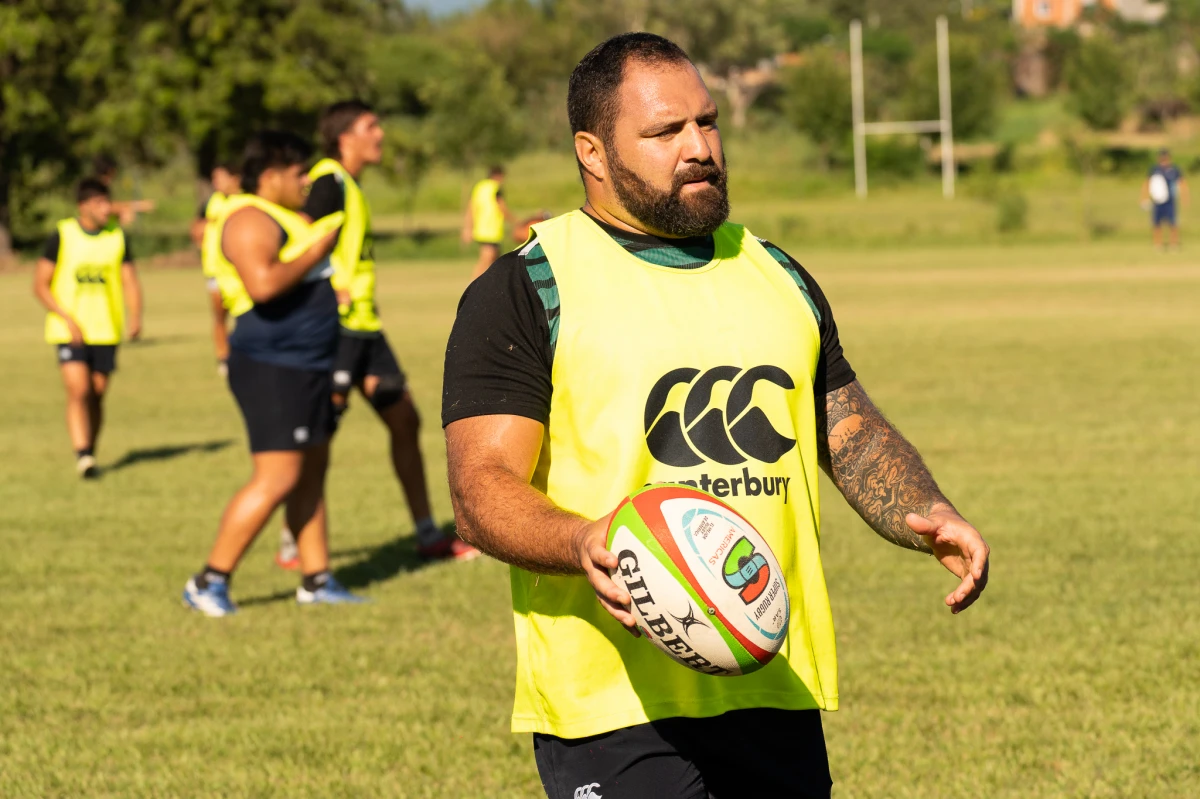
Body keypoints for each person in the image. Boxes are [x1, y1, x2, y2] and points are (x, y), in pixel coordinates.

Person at [442, 33, 991, 798]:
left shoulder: (775, 271)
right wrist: (582, 540)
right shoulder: (530, 285)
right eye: (666, 132)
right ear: (592, 152)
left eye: (707, 123)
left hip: (770, 676)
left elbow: (846, 427)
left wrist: (925, 510)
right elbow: (479, 489)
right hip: (613, 705)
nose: (699, 147)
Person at [182, 131, 363, 617]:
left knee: (311, 471)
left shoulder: (281, 216)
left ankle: (316, 579)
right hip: (273, 366)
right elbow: (262, 285)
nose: (306, 181)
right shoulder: (246, 219)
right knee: (278, 476)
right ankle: (208, 581)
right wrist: (318, 246)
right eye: (298, 173)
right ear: (269, 177)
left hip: (308, 362)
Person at [305, 100, 479, 562]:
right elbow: (304, 245)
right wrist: (330, 292)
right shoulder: (327, 182)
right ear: (346, 138)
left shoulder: (348, 184)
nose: (380, 133)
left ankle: (426, 535)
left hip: (365, 328)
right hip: (337, 330)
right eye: (371, 126)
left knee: (404, 418)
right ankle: (295, 542)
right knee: (317, 436)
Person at [34, 178, 143, 478]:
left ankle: (90, 450)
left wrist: (136, 316)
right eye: (98, 203)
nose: (105, 208)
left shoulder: (116, 237)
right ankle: (82, 455)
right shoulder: (63, 234)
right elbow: (40, 285)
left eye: (107, 202)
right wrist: (66, 317)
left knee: (97, 393)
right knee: (78, 389)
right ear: (83, 206)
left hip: (106, 328)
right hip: (69, 329)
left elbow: (130, 279)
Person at [190, 161, 243, 376]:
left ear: (234, 178)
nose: (216, 182)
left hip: (239, 269)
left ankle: (243, 354)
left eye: (220, 177)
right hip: (215, 269)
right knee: (219, 315)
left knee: (245, 314)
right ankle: (223, 357)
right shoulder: (212, 202)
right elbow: (197, 227)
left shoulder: (245, 200)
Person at [462, 165, 515, 280]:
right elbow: (502, 208)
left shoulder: (479, 187)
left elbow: (470, 208)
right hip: (491, 230)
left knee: (495, 261)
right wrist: (515, 222)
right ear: (498, 176)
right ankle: (472, 287)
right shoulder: (496, 188)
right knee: (486, 261)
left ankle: (495, 288)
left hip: (481, 229)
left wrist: (467, 228)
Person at [1142, 148, 1188, 250]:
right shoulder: (1154, 169)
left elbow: (1182, 183)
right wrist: (1144, 197)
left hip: (1170, 200)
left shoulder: (1174, 169)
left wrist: (1185, 197)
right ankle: (1158, 244)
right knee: (1157, 223)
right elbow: (1147, 183)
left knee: (1173, 223)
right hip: (1157, 201)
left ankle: (1174, 244)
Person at [92, 154, 156, 227]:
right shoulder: (96, 188)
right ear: (109, 171)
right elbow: (108, 207)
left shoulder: (101, 186)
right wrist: (139, 206)